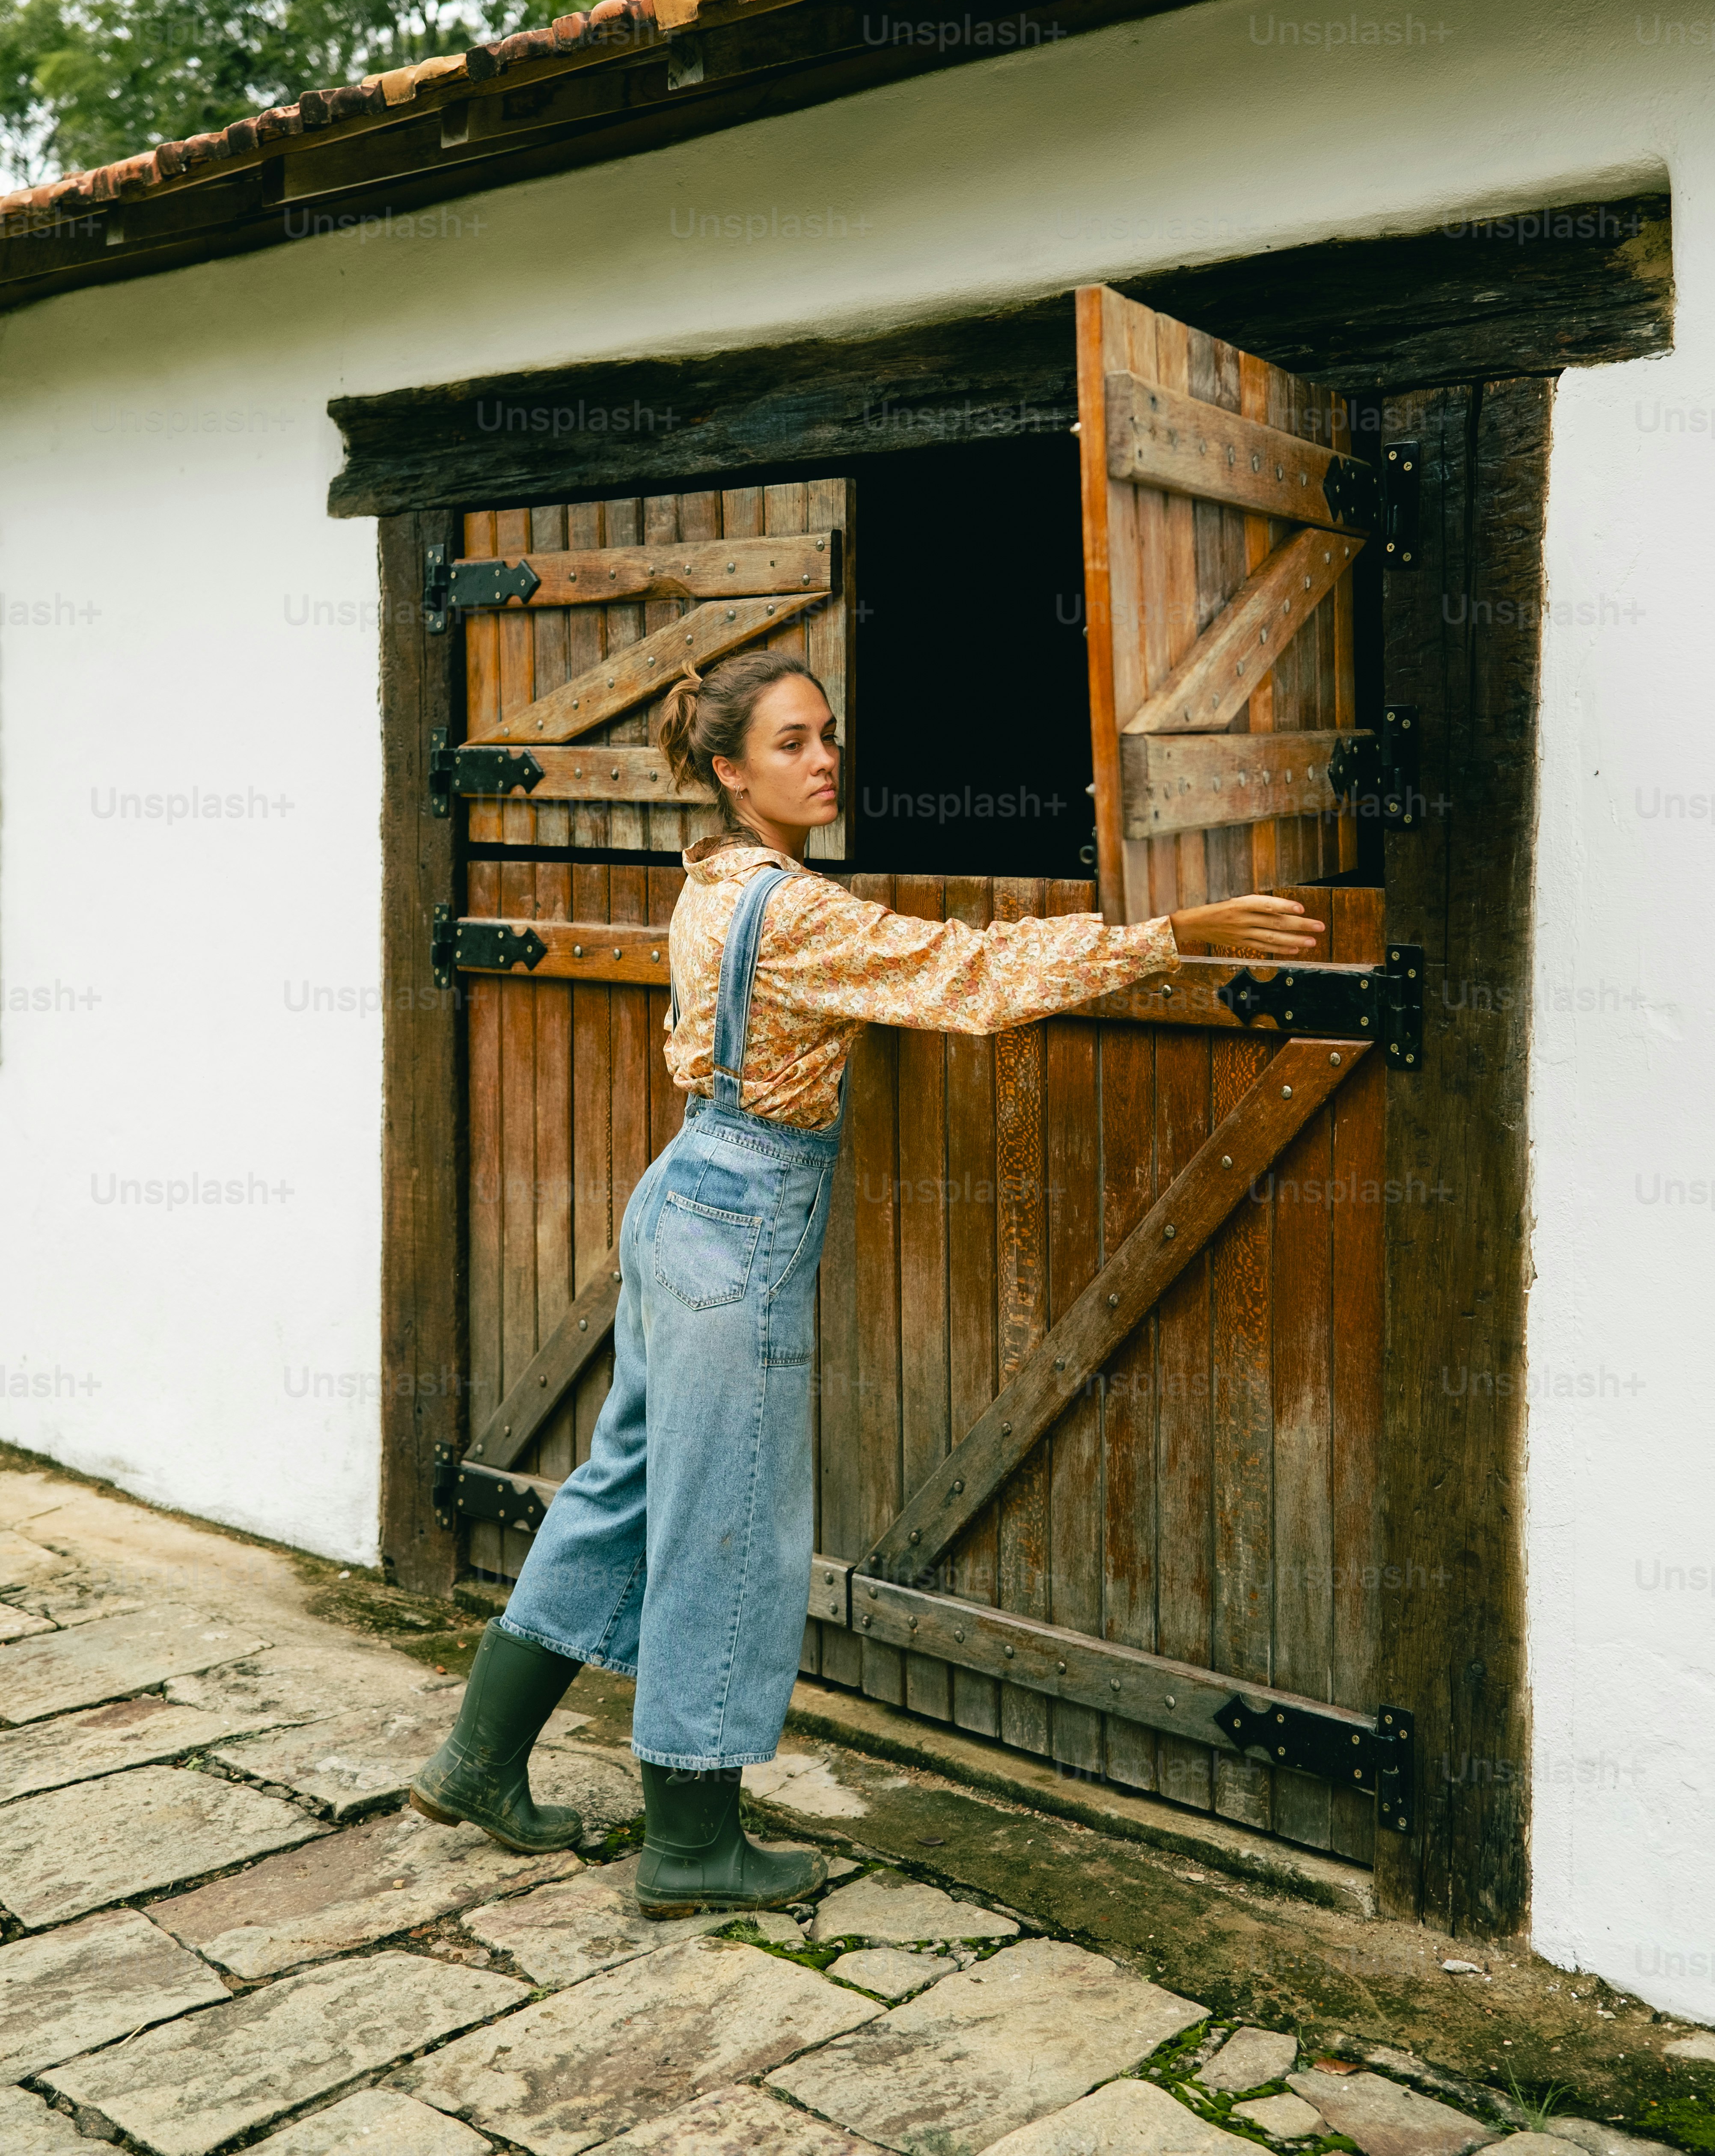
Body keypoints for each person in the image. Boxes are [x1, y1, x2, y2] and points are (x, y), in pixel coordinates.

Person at [412, 647, 1322, 1915]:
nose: (826, 758)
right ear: (731, 772)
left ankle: (477, 1761)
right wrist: (1168, 935)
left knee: (622, 1489)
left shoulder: (714, 883)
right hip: (741, 1223)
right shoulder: (793, 911)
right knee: (725, 1521)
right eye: (791, 742)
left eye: (828, 733)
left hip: (683, 1196)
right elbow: (969, 975)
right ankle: (689, 1843)